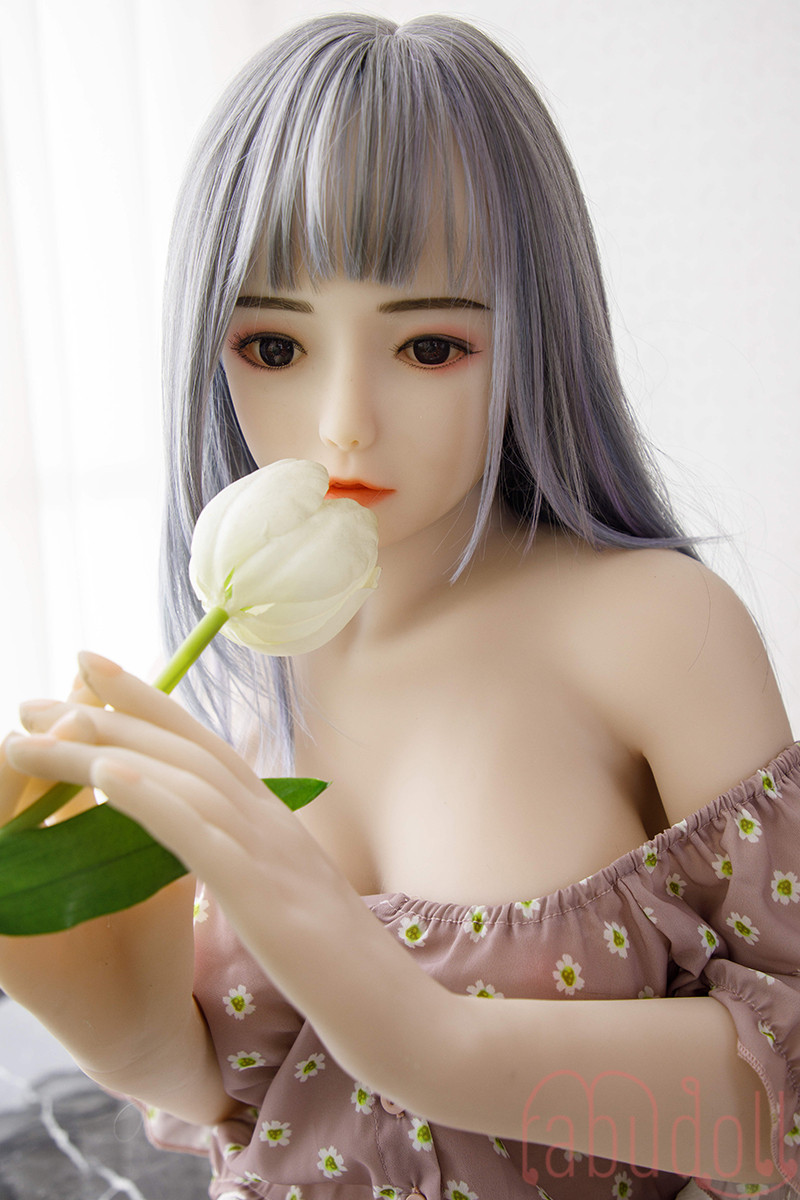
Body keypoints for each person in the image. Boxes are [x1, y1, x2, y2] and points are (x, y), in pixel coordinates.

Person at [1, 13, 798, 1200]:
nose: (343, 425)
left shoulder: (648, 630)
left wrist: (427, 1042)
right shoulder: (245, 680)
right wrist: (102, 999)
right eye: (273, 347)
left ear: (534, 335)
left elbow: (787, 1101)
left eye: (427, 348)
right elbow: (263, 1115)